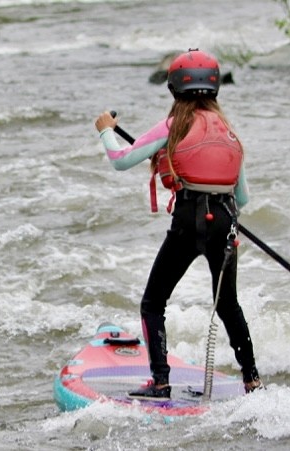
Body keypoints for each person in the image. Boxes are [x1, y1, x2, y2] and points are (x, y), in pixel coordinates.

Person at [93, 49, 262, 400]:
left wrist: (106, 130)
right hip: (225, 222)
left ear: (173, 89)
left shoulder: (172, 126)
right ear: (215, 88)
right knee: (228, 304)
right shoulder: (229, 133)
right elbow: (243, 198)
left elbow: (120, 160)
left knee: (153, 303)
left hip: (187, 221)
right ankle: (252, 381)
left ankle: (160, 382)